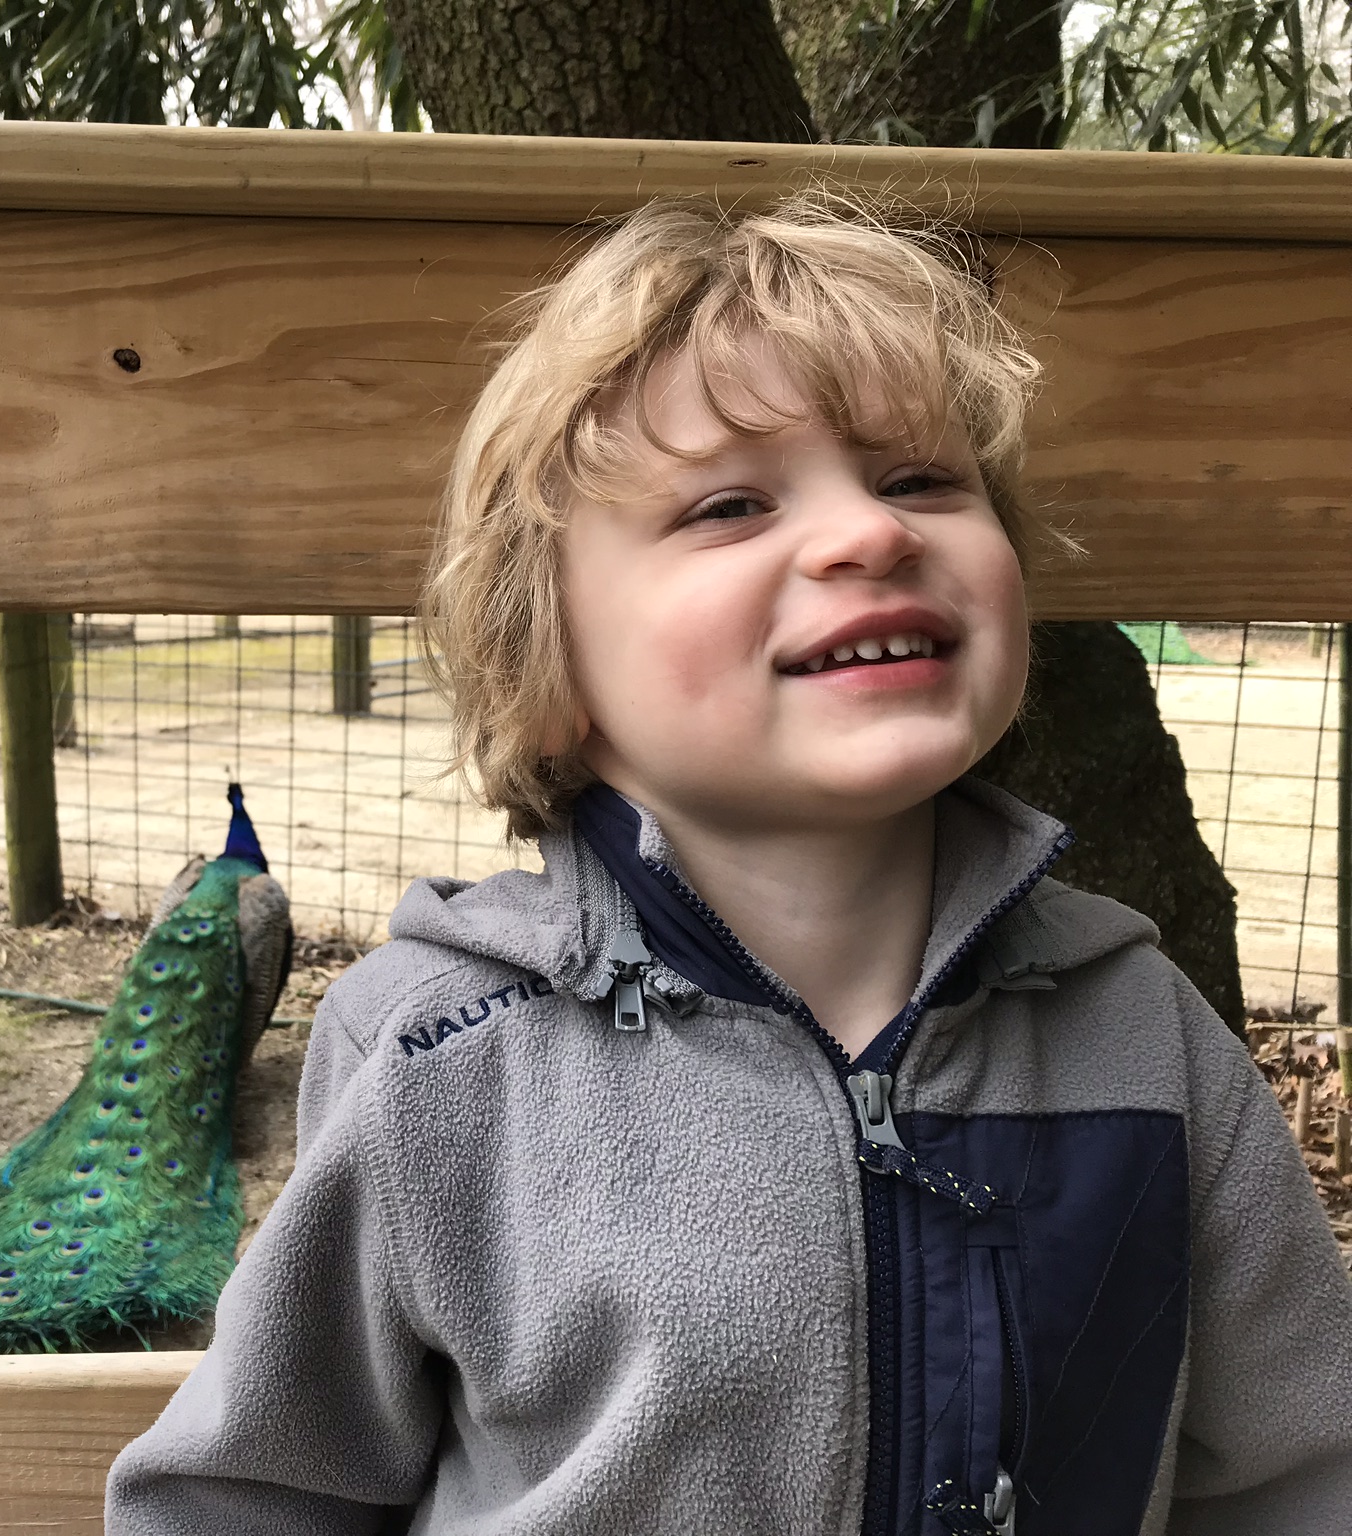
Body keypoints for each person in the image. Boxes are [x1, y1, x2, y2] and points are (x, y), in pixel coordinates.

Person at [104, 195, 1352, 1534]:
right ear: (552, 672)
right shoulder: (442, 1059)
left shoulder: (1147, 1041)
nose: (871, 535)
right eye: (730, 505)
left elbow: (1297, 1478)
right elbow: (241, 1497)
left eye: (921, 478)